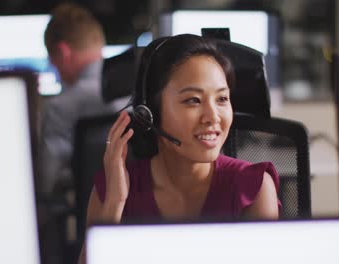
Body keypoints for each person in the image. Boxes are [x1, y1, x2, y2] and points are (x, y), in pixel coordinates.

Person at [78, 34, 280, 263]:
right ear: (150, 112)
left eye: (222, 99)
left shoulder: (252, 188)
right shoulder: (112, 190)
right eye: (193, 100)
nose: (213, 117)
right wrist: (115, 205)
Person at [39, 3, 125, 195]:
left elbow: (47, 182)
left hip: (84, 216)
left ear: (63, 52)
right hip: (135, 213)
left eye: (51, 59)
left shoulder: (59, 107)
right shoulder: (136, 94)